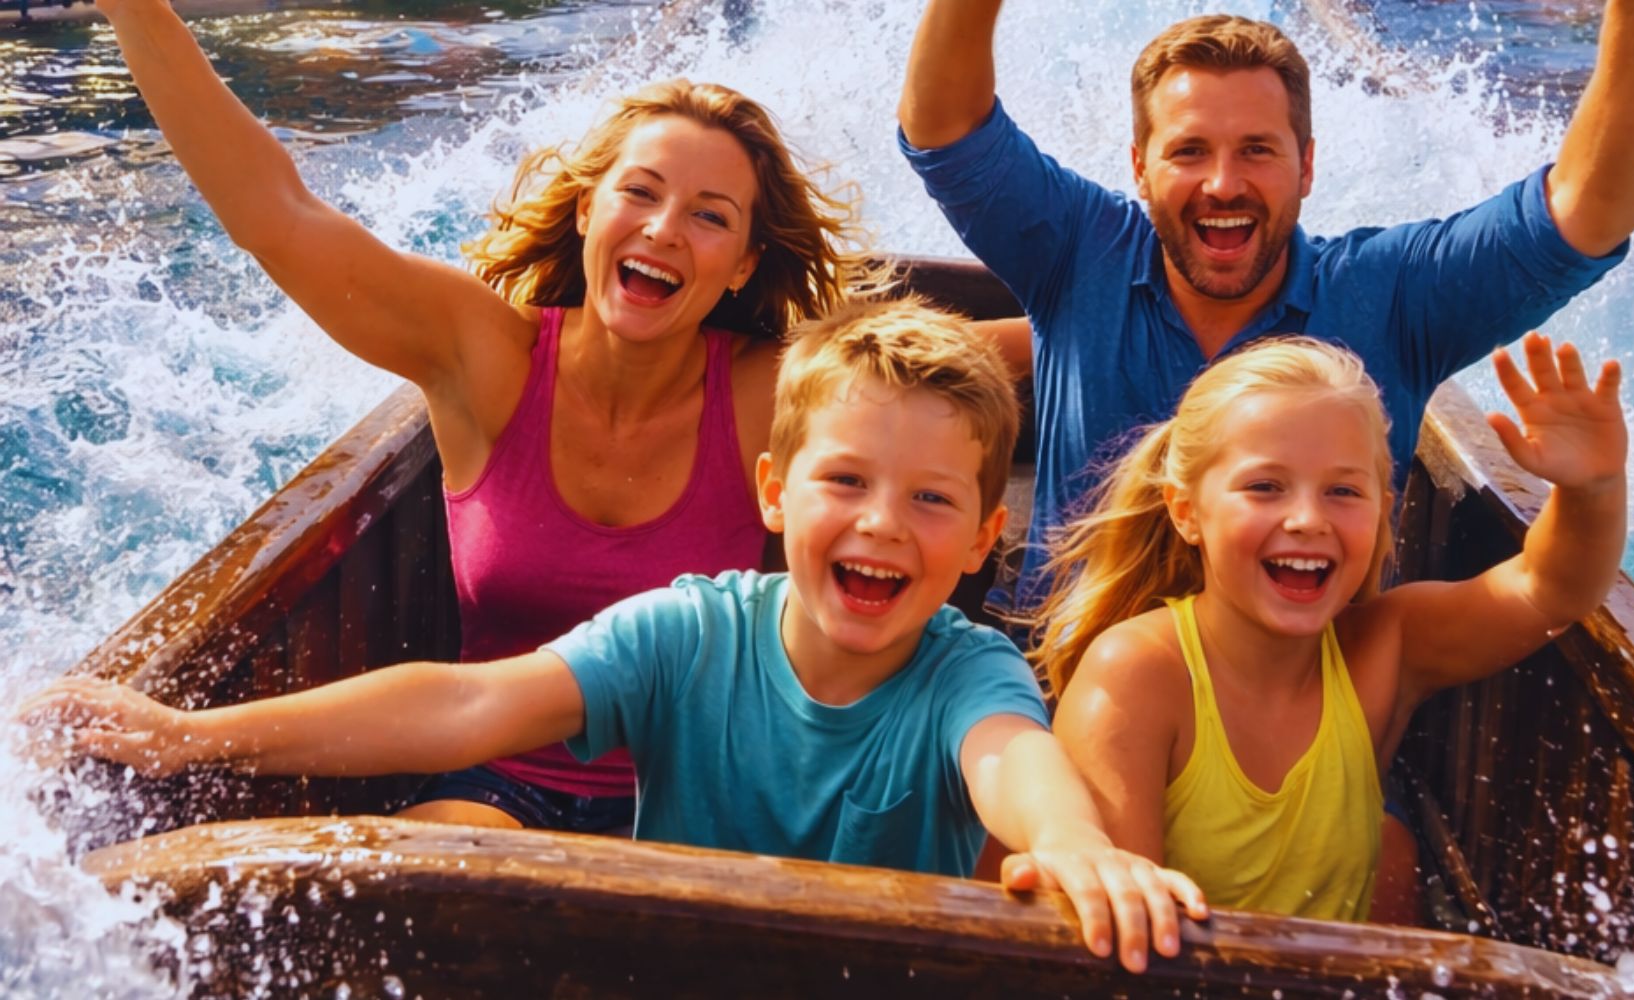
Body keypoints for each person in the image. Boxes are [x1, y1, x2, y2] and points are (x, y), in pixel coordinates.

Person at [23, 298, 1207, 973]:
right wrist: (190, 735)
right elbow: (469, 704)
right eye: (845, 480)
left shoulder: (969, 669)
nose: (883, 524)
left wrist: (1077, 843)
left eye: (932, 501)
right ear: (772, 493)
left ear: (983, 539)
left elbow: (1014, 762)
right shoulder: (692, 628)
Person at [96, 1, 875, 832]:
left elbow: (955, 363)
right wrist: (134, 10)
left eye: (709, 215)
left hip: (699, 801)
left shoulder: (773, 389)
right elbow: (279, 218)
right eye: (638, 193)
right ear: (586, 211)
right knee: (400, 888)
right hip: (498, 791)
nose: (662, 228)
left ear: (745, 263)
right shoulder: (486, 356)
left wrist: (1043, 307)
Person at [897, 2, 1634, 619]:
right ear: (1141, 166)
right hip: (1063, 691)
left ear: (1308, 166)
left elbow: (1593, 207)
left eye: (1258, 151)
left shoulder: (1393, 296)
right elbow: (944, 126)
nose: (1224, 184)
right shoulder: (1079, 251)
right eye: (1190, 151)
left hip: (1299, 718)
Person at [1030, 333, 1627, 922]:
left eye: (1343, 491)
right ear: (1187, 511)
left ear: (1381, 508)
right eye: (1265, 487)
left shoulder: (1382, 647)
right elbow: (1118, 931)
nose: (1307, 519)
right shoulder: (1137, 675)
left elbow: (1548, 589)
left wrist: (1591, 488)